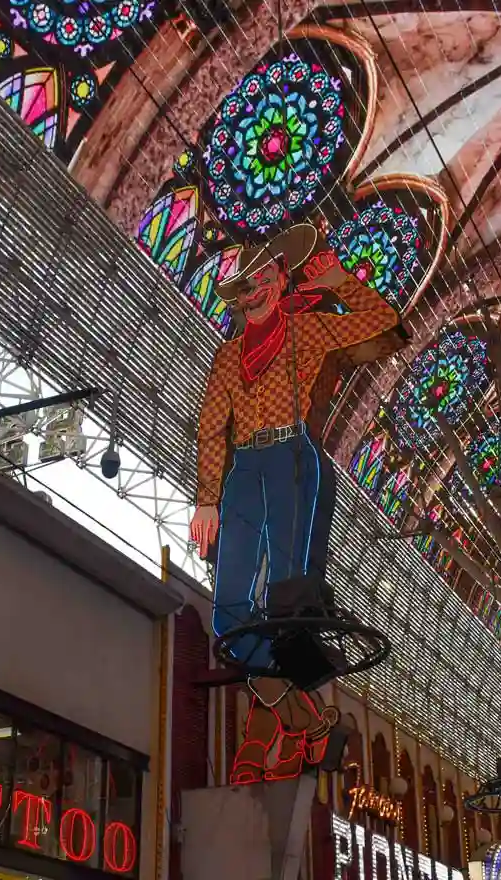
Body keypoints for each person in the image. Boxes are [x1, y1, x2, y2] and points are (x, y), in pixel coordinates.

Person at [188, 222, 402, 783]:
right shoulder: (226, 358)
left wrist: (339, 282)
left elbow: (383, 322)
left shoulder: (307, 330)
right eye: (244, 285)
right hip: (243, 470)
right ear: (238, 298)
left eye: (262, 278)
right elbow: (211, 428)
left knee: (285, 604)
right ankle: (308, 721)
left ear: (280, 281)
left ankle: (278, 735)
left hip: (291, 461)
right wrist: (207, 499)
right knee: (229, 611)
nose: (253, 290)